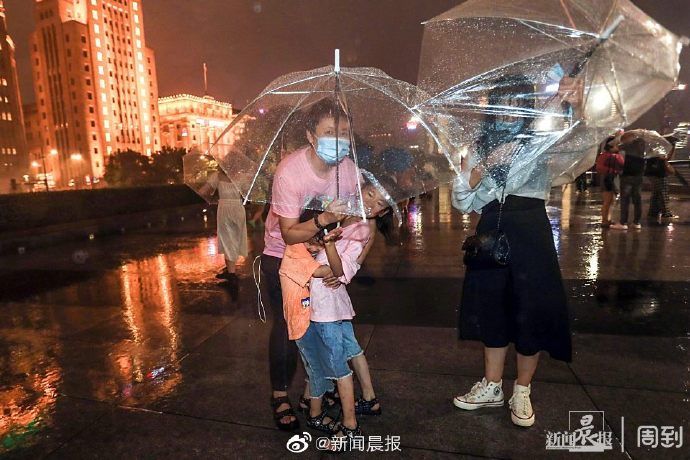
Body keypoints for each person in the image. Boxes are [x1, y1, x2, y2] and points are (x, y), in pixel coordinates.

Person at [451, 74, 572, 428]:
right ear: (493, 107)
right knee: (492, 309)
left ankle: (522, 389)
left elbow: (576, 145)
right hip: (490, 230)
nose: (509, 110)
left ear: (526, 105)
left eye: (517, 102)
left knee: (529, 310)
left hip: (530, 231)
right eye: (503, 102)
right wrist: (486, 165)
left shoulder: (541, 138)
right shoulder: (478, 145)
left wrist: (568, 102)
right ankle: (491, 386)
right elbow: (462, 200)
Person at [261, 98, 358, 431]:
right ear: (311, 136)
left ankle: (315, 389)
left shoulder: (348, 169)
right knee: (290, 327)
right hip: (282, 254)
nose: (339, 139)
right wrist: (324, 219)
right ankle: (279, 395)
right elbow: (288, 234)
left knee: (321, 324)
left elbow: (359, 224)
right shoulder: (290, 171)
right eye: (329, 132)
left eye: (344, 132)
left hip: (322, 252)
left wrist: (343, 259)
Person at [209, 169, 248, 288]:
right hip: (238, 208)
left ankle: (231, 275)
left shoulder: (216, 176)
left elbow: (204, 191)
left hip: (224, 209)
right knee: (234, 240)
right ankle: (229, 270)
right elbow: (247, 193)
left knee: (227, 240)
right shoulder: (242, 177)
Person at [611, 132, 646, 230]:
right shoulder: (643, 145)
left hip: (627, 175)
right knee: (637, 200)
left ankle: (623, 222)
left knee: (625, 199)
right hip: (639, 175)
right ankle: (636, 222)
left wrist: (618, 137)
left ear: (629, 137)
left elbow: (613, 148)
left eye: (624, 138)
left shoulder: (628, 145)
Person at [646, 134, 678, 222]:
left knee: (656, 193)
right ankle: (666, 213)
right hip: (658, 173)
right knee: (663, 193)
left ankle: (652, 212)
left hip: (652, 173)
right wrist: (673, 147)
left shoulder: (652, 148)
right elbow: (666, 158)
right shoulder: (658, 149)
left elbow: (665, 158)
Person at [595, 135, 624, 227]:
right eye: (617, 145)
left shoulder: (617, 155)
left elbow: (622, 165)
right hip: (607, 179)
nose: (618, 146)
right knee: (607, 201)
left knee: (612, 200)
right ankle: (604, 220)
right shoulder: (605, 156)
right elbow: (599, 168)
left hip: (613, 179)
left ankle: (608, 219)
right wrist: (613, 170)